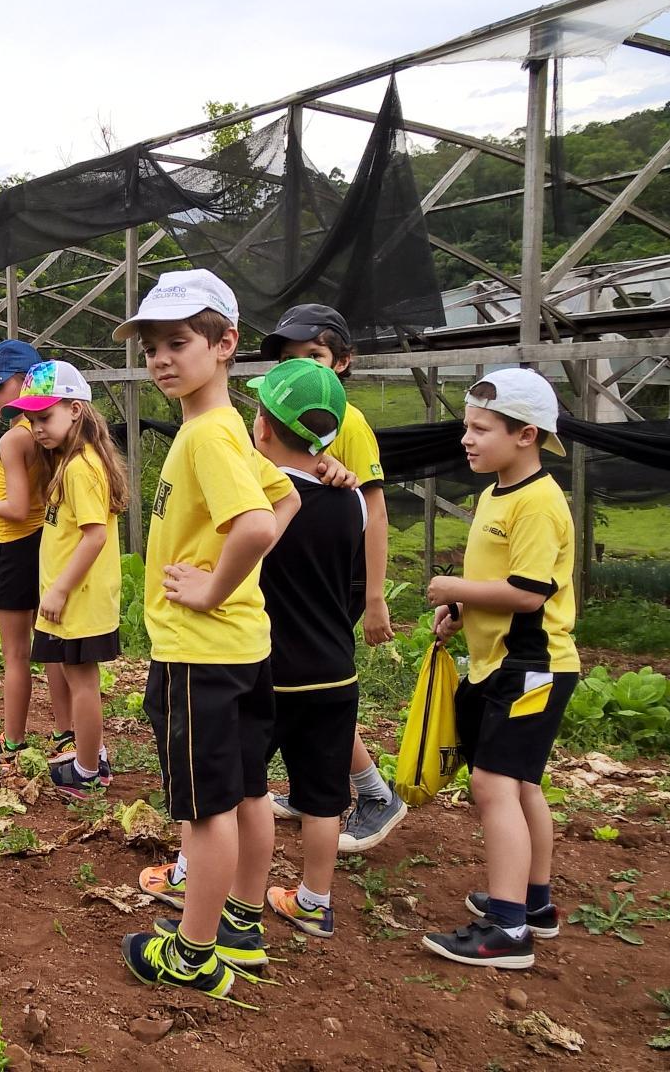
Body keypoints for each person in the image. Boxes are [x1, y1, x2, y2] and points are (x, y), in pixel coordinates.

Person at [115, 270, 296, 999]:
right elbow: (282, 497)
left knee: (206, 809)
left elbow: (254, 524)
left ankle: (193, 953)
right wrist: (237, 586)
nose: (162, 357)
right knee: (248, 793)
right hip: (242, 648)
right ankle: (243, 927)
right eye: (153, 344)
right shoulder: (217, 429)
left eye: (178, 341)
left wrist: (215, 585)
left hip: (199, 652)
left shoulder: (205, 437)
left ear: (225, 344)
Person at [422, 368, 580, 971]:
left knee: (493, 785)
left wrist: (452, 586)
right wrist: (462, 609)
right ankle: (533, 903)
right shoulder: (497, 493)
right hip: (506, 663)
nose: (468, 439)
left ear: (526, 435)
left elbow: (528, 591)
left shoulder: (539, 503)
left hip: (533, 666)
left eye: (481, 429)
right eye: (468, 426)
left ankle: (508, 929)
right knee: (521, 784)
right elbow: (502, 582)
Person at [264, 304, 407, 852]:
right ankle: (311, 792)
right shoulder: (279, 413)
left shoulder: (346, 421)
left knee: (307, 685)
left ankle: (372, 792)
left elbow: (375, 510)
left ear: (343, 363)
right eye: (290, 358)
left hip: (329, 577)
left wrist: (374, 598)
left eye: (316, 356)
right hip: (304, 569)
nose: (303, 368)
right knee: (308, 688)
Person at [243, 360, 369, 940]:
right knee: (323, 796)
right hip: (334, 672)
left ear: (263, 427)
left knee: (242, 786)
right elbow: (352, 583)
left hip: (265, 670)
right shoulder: (353, 502)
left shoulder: (260, 501)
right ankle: (314, 901)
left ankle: (228, 894)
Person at [0, 360, 125, 799]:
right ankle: (92, 755)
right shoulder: (71, 462)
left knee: (82, 681)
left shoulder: (78, 468)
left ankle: (88, 771)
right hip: (73, 597)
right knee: (77, 678)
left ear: (75, 409)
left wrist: (59, 588)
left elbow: (93, 537)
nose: (36, 428)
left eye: (45, 417)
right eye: (31, 419)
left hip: (79, 599)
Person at [0, 340, 71, 768]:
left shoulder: (14, 437)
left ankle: (11, 742)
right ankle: (66, 735)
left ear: (25, 382)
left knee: (16, 654)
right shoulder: (46, 433)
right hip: (45, 546)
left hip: (17, 546)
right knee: (52, 648)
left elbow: (17, 507)